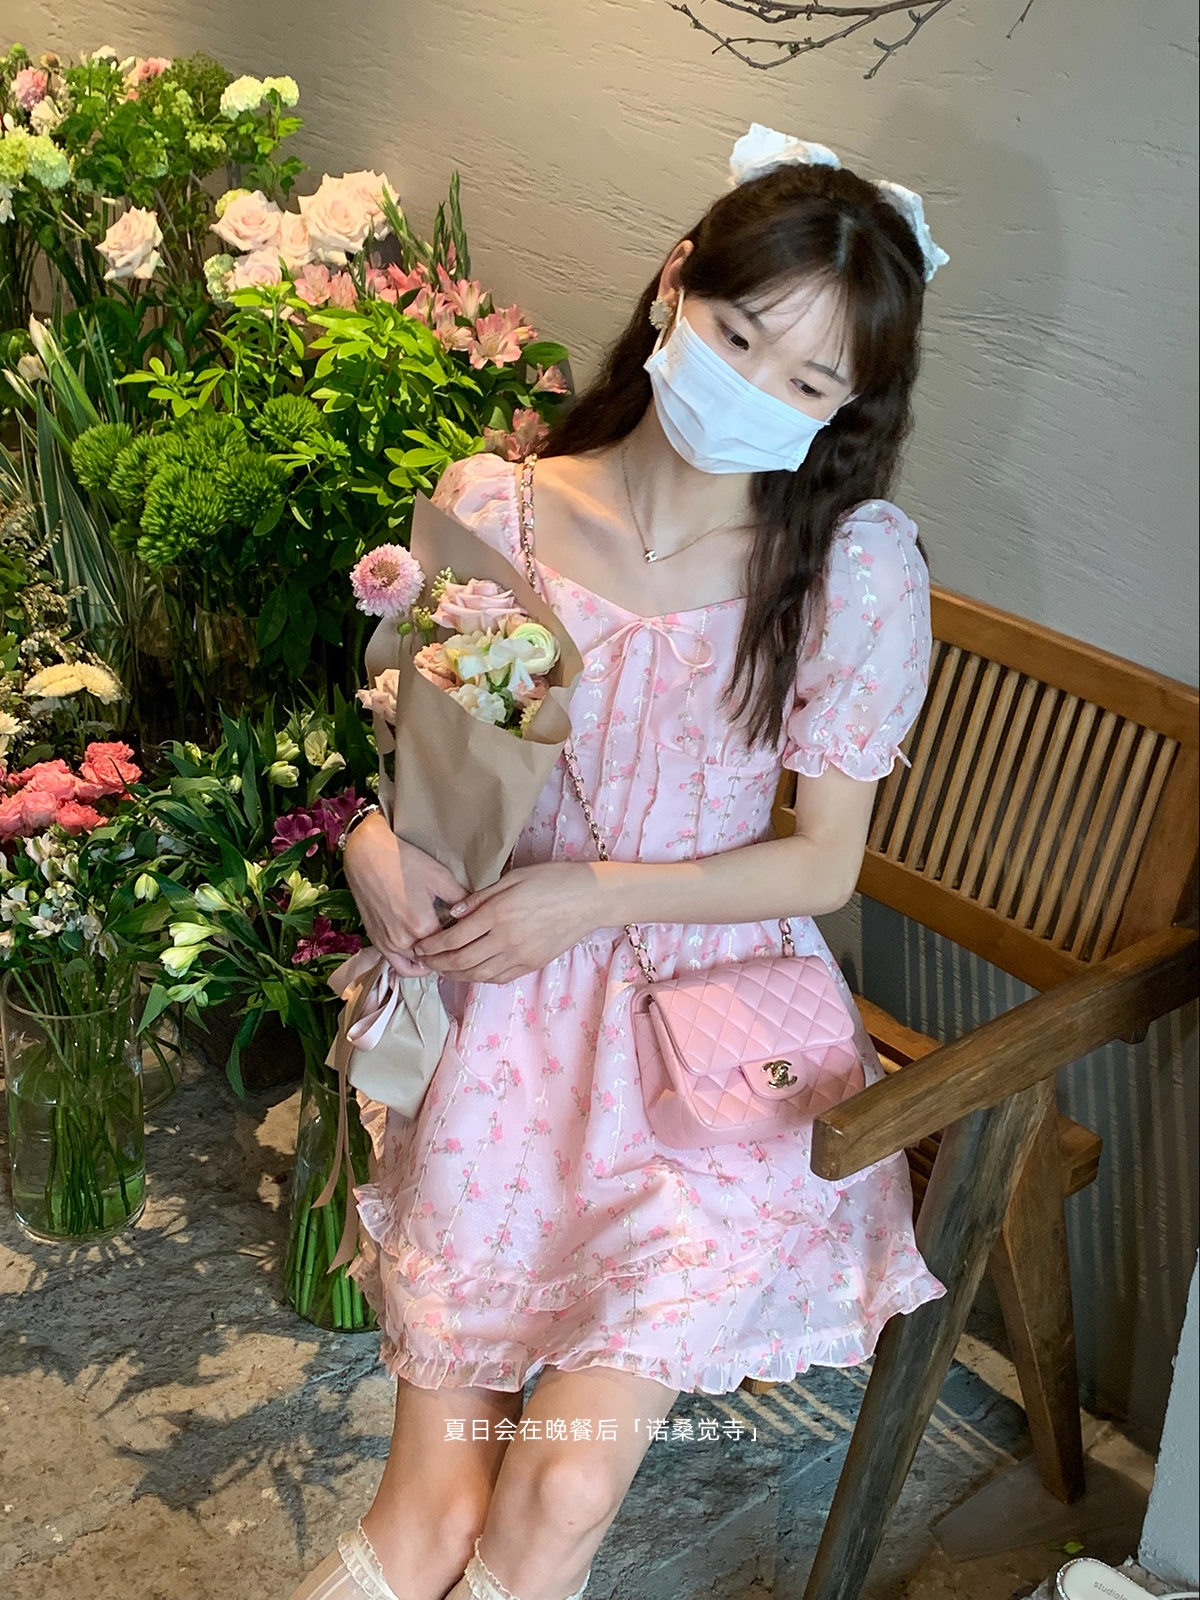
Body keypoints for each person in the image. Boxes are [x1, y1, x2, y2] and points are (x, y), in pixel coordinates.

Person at [290, 125, 949, 1600]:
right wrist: (370, 843)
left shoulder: (849, 568)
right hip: (498, 1032)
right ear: (673, 285)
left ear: (849, 409)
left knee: (565, 1488)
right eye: (740, 335)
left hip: (699, 1050)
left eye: (811, 383)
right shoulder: (495, 510)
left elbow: (821, 865)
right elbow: (416, 768)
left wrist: (593, 896)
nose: (756, 391)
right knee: (430, 1515)